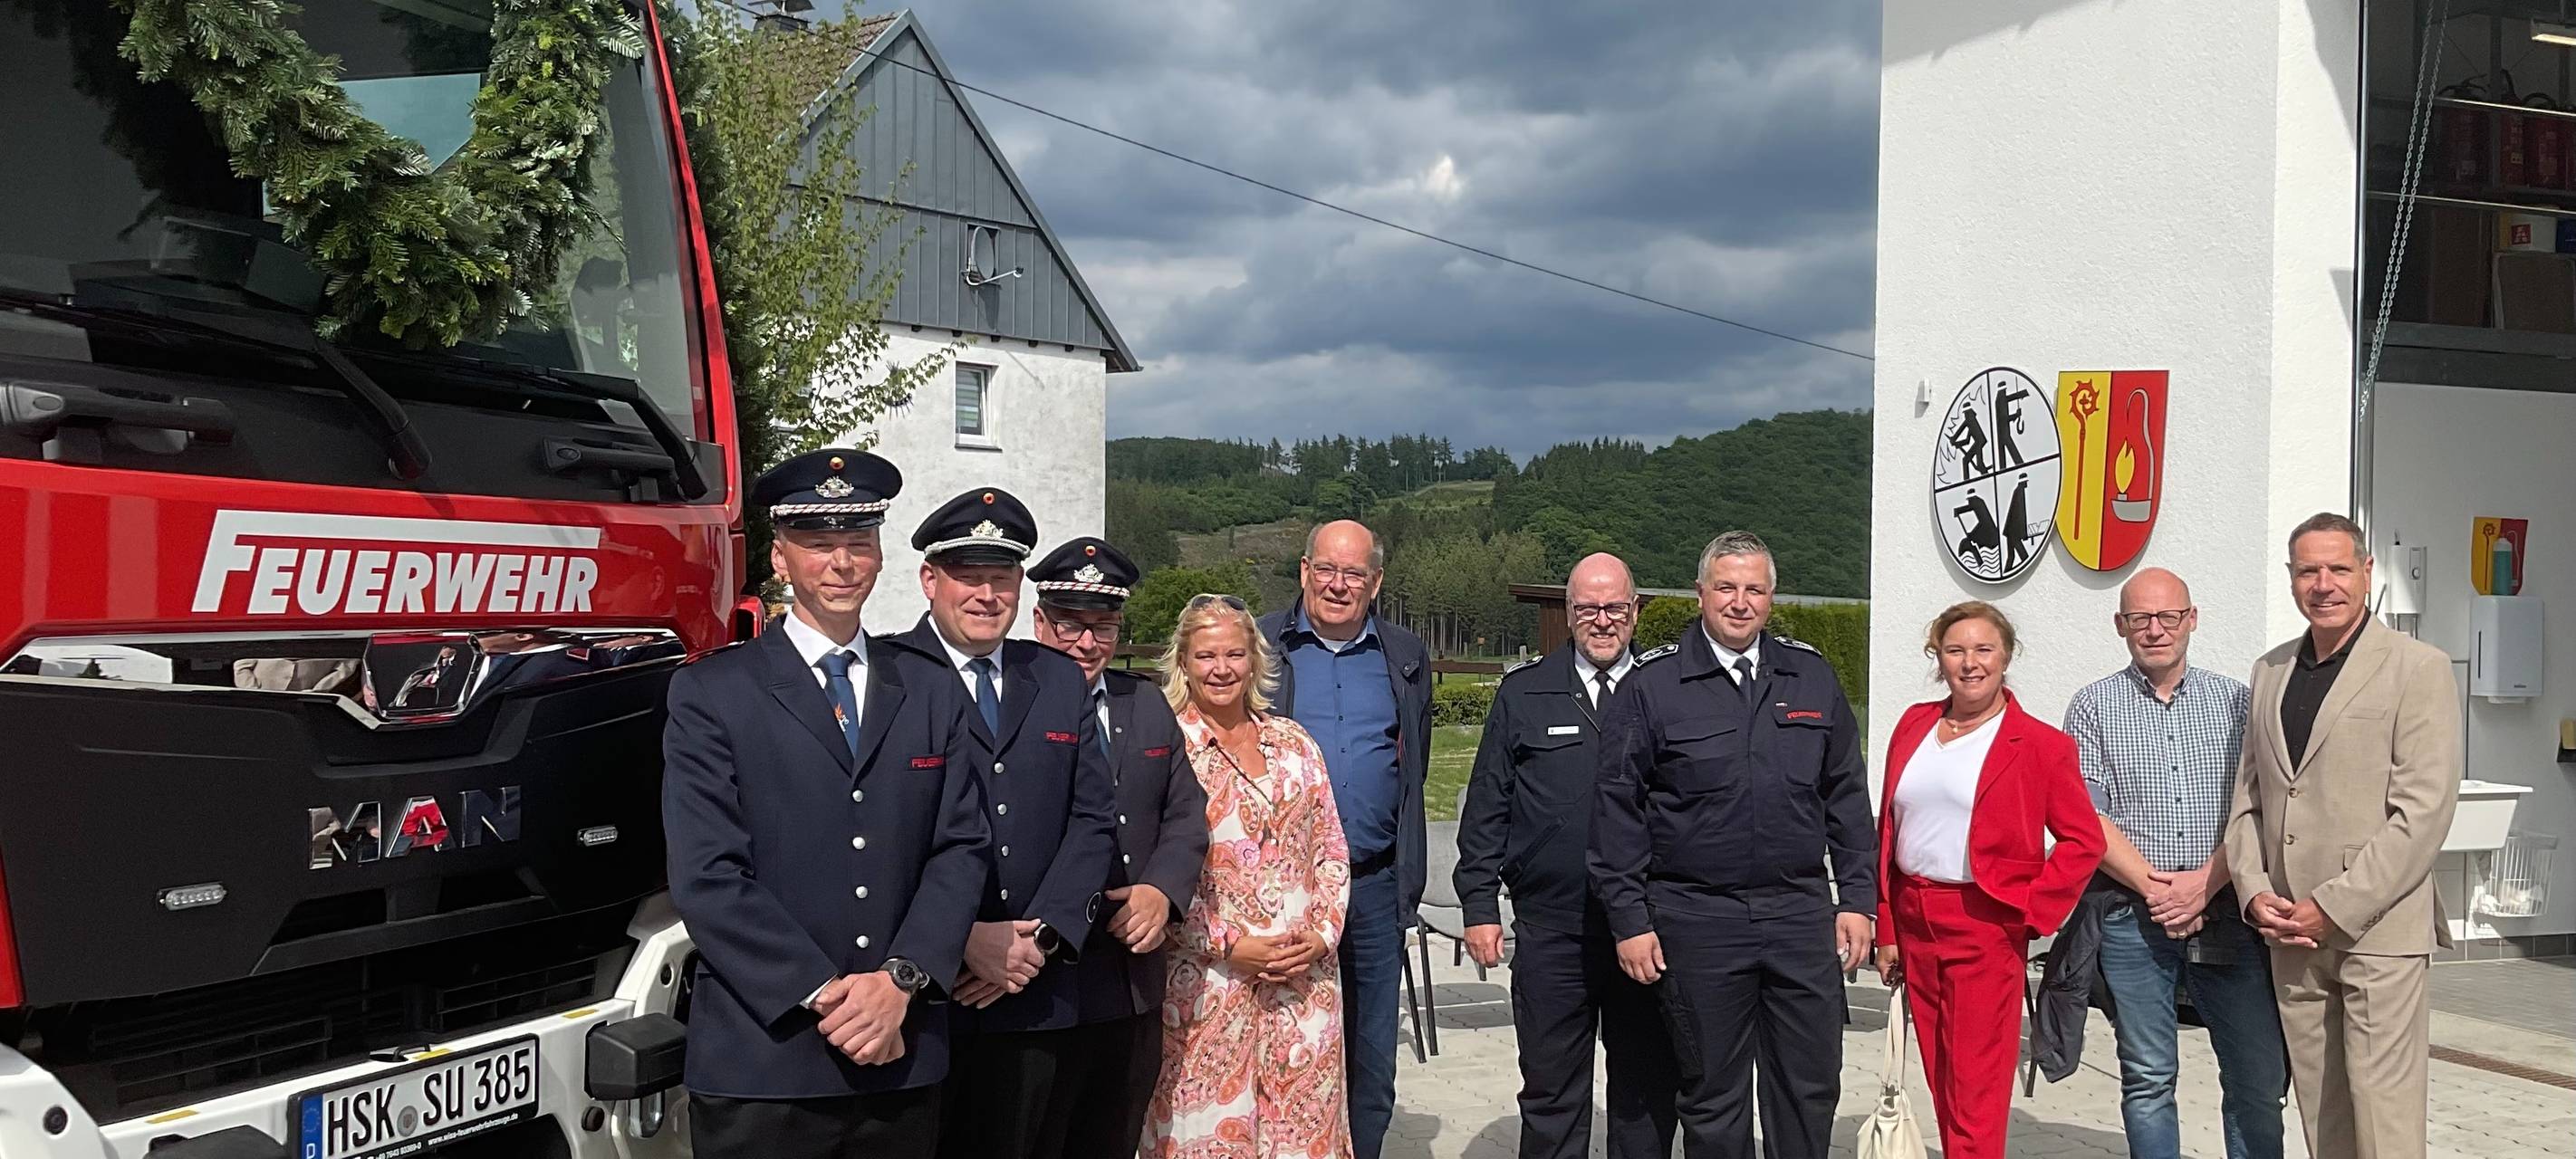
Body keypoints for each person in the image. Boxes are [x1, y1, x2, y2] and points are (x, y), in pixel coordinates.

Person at [662, 449, 988, 1158]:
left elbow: (960, 846)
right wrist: (826, 994)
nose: (841, 563)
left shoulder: (930, 690)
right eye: (818, 545)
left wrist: (900, 981)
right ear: (780, 559)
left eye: (858, 543)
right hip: (766, 1060)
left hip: (900, 1050)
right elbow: (708, 875)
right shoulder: (714, 694)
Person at [1591, 531, 1875, 1159]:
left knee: (1809, 1086)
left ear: (1772, 598)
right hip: (1698, 919)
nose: (1740, 602)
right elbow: (1616, 813)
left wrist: (1857, 899)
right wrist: (1630, 920)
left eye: (1754, 589)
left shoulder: (1811, 676)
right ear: (1700, 594)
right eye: (1726, 587)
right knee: (1712, 1096)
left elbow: (1847, 799)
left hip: (1799, 914)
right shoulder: (1653, 686)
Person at [879, 488, 1118, 1159]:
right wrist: (955, 941)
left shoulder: (1056, 678)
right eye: (969, 576)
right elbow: (874, 834)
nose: (988, 595)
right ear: (930, 580)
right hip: (924, 993)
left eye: (1002, 577)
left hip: (1034, 988)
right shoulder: (889, 673)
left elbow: (1093, 818)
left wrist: (1040, 937)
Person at [2224, 512, 2460, 1159]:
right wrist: (2251, 891)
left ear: (2367, 573)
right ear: (2292, 579)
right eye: (2308, 571)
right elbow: (2250, 799)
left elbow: (2424, 813)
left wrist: (2334, 906)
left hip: (2376, 930)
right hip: (2290, 931)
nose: (2323, 584)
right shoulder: (2270, 670)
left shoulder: (2419, 668)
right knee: (2323, 1119)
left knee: (2384, 1124)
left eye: (2337, 569)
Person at [1456, 552, 1677, 1159]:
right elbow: (1487, 807)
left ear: (1634, 611)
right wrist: (1478, 902)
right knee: (1552, 1094)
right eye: (1587, 608)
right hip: (1554, 931)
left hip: (1646, 929)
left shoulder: (1668, 693)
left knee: (1646, 1093)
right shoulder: (1525, 693)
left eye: (1613, 608)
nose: (1601, 620)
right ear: (1568, 613)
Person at [2062, 569, 2287, 1159]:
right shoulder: (2092, 707)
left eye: (2168, 616)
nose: (2155, 630)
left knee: (2258, 1079)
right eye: (2141, 618)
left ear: (2192, 619)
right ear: (2121, 626)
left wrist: (2204, 884)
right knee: (2148, 1076)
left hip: (2227, 912)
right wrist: (2159, 889)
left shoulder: (2238, 702)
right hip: (2131, 919)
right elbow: (2086, 816)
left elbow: (2260, 807)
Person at [1873, 600, 2106, 1159]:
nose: (1970, 663)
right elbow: (1888, 830)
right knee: (1939, 1073)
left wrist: (2032, 913)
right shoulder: (1913, 724)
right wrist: (1886, 928)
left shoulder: (2042, 745)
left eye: (1984, 650)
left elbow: (2084, 841)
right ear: (1939, 659)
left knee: (1976, 1084)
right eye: (1955, 650)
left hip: (1985, 924)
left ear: (2006, 656)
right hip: (1913, 918)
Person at [1146, 593, 1352, 1159]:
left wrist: (1321, 934)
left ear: (1255, 661)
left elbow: (1332, 847)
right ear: (1183, 662)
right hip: (1208, 989)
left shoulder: (1295, 743)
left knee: (1304, 1139)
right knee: (1205, 1139)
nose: (1221, 670)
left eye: (1235, 655)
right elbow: (1147, 873)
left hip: (1304, 984)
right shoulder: (1163, 748)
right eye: (1206, 656)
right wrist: (1226, 946)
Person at [1025, 536, 1210, 1158]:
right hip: (1036, 981)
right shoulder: (1010, 705)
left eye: (1103, 627)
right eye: (1071, 625)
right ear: (1039, 622)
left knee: (1112, 1136)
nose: (1087, 643)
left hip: (1130, 976)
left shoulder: (1147, 705)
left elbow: (1187, 812)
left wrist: (1163, 890)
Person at [1255, 519, 1430, 1159]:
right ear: (1304, 571)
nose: (1338, 584)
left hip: (1374, 887)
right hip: (1282, 894)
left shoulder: (1405, 656)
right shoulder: (1262, 645)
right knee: (1283, 1045)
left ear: (1376, 582)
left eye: (1354, 573)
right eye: (1326, 569)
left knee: (1371, 1057)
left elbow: (1413, 769)